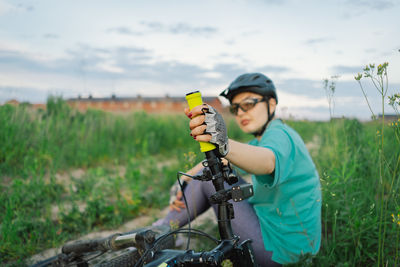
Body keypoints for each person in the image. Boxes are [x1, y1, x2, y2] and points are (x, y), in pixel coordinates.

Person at [154, 73, 321, 266]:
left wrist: (222, 141)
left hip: (279, 252)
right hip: (289, 245)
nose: (241, 112)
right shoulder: (263, 139)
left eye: (248, 104)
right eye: (235, 108)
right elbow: (222, 160)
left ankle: (156, 235)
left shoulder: (279, 135)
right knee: (209, 173)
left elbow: (267, 161)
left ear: (272, 103)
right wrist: (185, 179)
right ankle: (163, 231)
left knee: (209, 179)